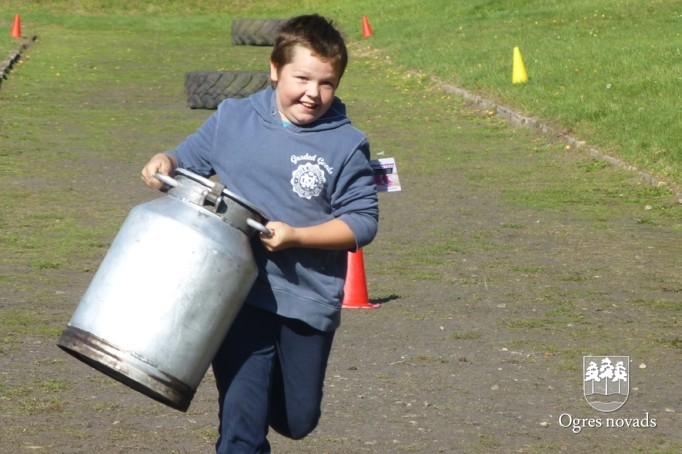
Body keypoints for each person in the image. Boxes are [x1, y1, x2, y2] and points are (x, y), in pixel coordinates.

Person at [140, 14, 379, 453]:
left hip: (305, 301)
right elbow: (185, 158)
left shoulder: (346, 144)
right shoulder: (233, 118)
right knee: (241, 426)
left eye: (327, 83)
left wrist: (298, 237)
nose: (313, 93)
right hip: (234, 294)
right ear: (274, 69)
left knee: (297, 419)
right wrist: (165, 162)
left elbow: (362, 222)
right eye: (302, 78)